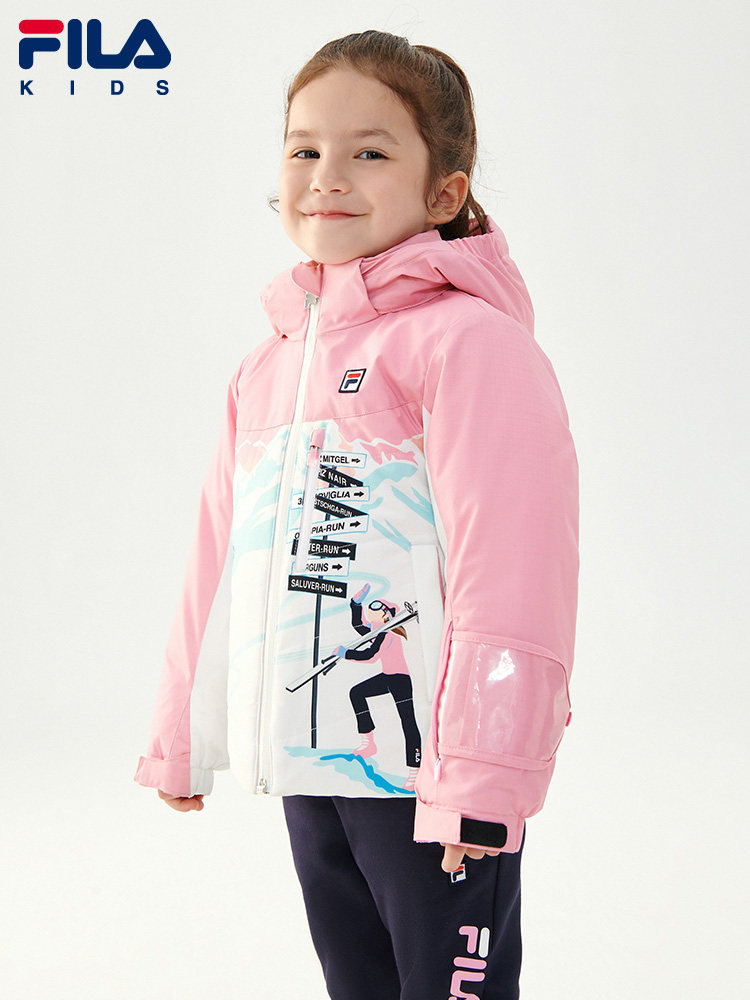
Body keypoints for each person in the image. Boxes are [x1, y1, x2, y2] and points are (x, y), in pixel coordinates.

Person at [134, 29, 579, 1000]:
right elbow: (219, 556)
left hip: (432, 778)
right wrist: (183, 729)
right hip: (311, 761)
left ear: (443, 194)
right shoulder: (267, 367)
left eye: (370, 151)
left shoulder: (470, 347)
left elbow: (514, 574)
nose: (327, 176)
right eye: (304, 148)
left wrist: (484, 773)